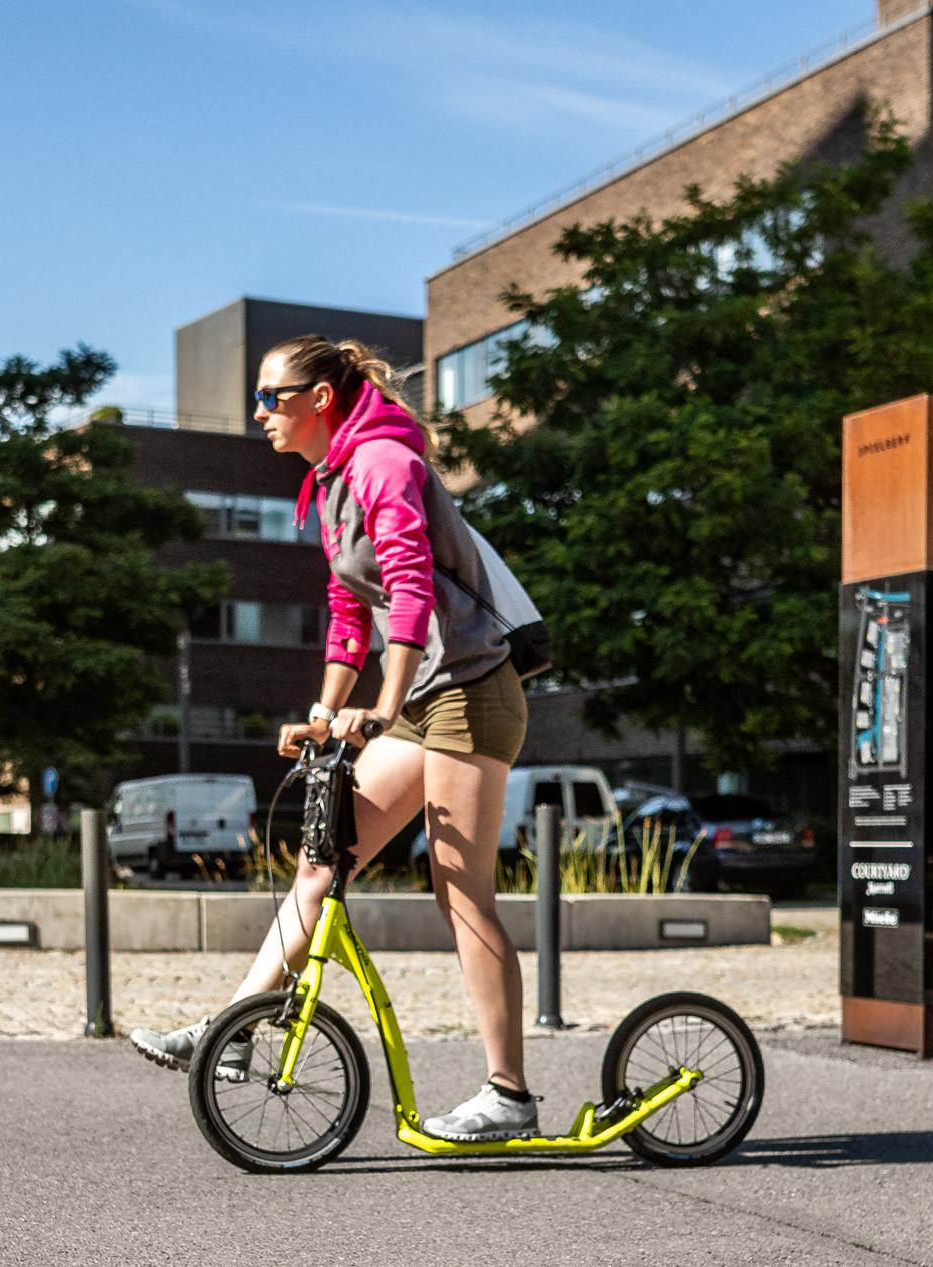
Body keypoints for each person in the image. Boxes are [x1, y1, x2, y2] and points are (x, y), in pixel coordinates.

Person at [131, 335, 538, 1142]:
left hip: (469, 690)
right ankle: (236, 1030)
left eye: (271, 397)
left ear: (319, 399)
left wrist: (381, 706)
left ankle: (509, 1096)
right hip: (420, 697)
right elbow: (350, 610)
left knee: (461, 894)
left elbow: (411, 589)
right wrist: (325, 711)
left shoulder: (385, 462)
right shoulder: (331, 481)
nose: (259, 413)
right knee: (322, 862)